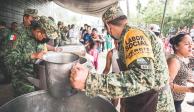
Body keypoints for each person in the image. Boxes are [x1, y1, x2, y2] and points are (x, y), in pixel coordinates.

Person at [70, 3, 175, 112]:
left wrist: (90, 81)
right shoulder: (130, 33)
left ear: (108, 26)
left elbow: (144, 78)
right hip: (144, 98)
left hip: (154, 104)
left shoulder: (132, 35)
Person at [5, 17, 61, 96]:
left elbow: (43, 45)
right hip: (23, 82)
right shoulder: (16, 35)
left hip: (39, 79)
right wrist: (33, 56)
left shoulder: (41, 38)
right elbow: (8, 59)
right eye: (45, 37)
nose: (45, 40)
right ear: (38, 31)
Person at [167, 33, 194, 112]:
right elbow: (167, 84)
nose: (190, 47)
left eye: (191, 44)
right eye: (186, 44)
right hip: (171, 102)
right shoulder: (174, 61)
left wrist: (191, 80)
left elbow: (180, 74)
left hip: (177, 101)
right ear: (176, 46)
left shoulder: (181, 58)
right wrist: (190, 89)